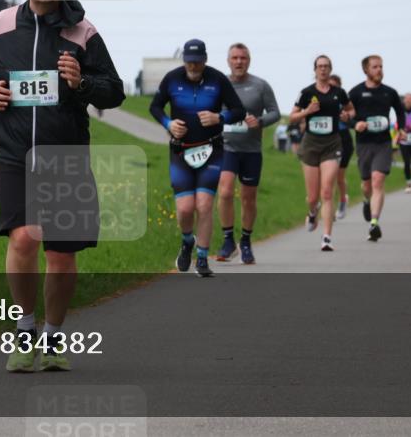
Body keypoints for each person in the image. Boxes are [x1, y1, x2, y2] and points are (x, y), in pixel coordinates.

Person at [0, 0, 125, 372]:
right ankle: (24, 330)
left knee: (60, 253)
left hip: (64, 155)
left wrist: (82, 84)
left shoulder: (83, 32)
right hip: (13, 152)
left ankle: (54, 338)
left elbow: (115, 92)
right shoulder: (0, 25)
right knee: (23, 236)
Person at [150, 39, 246, 277]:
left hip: (211, 150)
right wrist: (168, 123)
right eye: (189, 62)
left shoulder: (217, 80)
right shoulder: (172, 79)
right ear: (184, 60)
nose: (193, 66)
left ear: (205, 60)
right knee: (184, 209)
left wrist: (219, 118)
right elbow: (155, 107)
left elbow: (239, 111)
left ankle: (202, 258)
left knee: (204, 205)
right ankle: (187, 242)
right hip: (180, 151)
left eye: (198, 62)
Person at [216, 43, 280, 264]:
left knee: (248, 198)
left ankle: (245, 240)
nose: (239, 62)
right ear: (228, 61)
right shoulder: (220, 85)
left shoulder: (260, 85)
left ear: (249, 60)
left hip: (251, 150)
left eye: (243, 58)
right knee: (224, 191)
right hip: (226, 148)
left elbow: (275, 112)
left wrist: (260, 121)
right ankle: (227, 240)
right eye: (234, 58)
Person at [288, 55, 355, 251]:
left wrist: (346, 115)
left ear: (330, 69)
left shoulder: (339, 93)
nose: (323, 70)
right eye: (320, 66)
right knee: (312, 197)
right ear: (315, 70)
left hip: (332, 144)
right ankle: (311, 212)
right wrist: (307, 111)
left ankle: (326, 237)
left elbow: (352, 111)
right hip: (310, 144)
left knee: (327, 191)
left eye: (326, 66)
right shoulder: (306, 93)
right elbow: (292, 117)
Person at [348, 55, 405, 242]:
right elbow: (345, 115)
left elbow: (400, 110)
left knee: (377, 180)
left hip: (383, 143)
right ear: (366, 70)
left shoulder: (390, 92)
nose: (379, 70)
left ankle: (374, 223)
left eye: (381, 66)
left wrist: (401, 129)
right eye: (375, 67)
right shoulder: (356, 93)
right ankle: (366, 200)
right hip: (364, 144)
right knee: (366, 185)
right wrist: (355, 124)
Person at [328, 74, 353, 220]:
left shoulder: (344, 101)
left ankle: (343, 201)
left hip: (343, 139)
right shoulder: (321, 98)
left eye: (335, 86)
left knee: (339, 177)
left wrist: (347, 117)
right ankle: (329, 208)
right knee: (328, 177)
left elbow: (353, 118)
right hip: (327, 139)